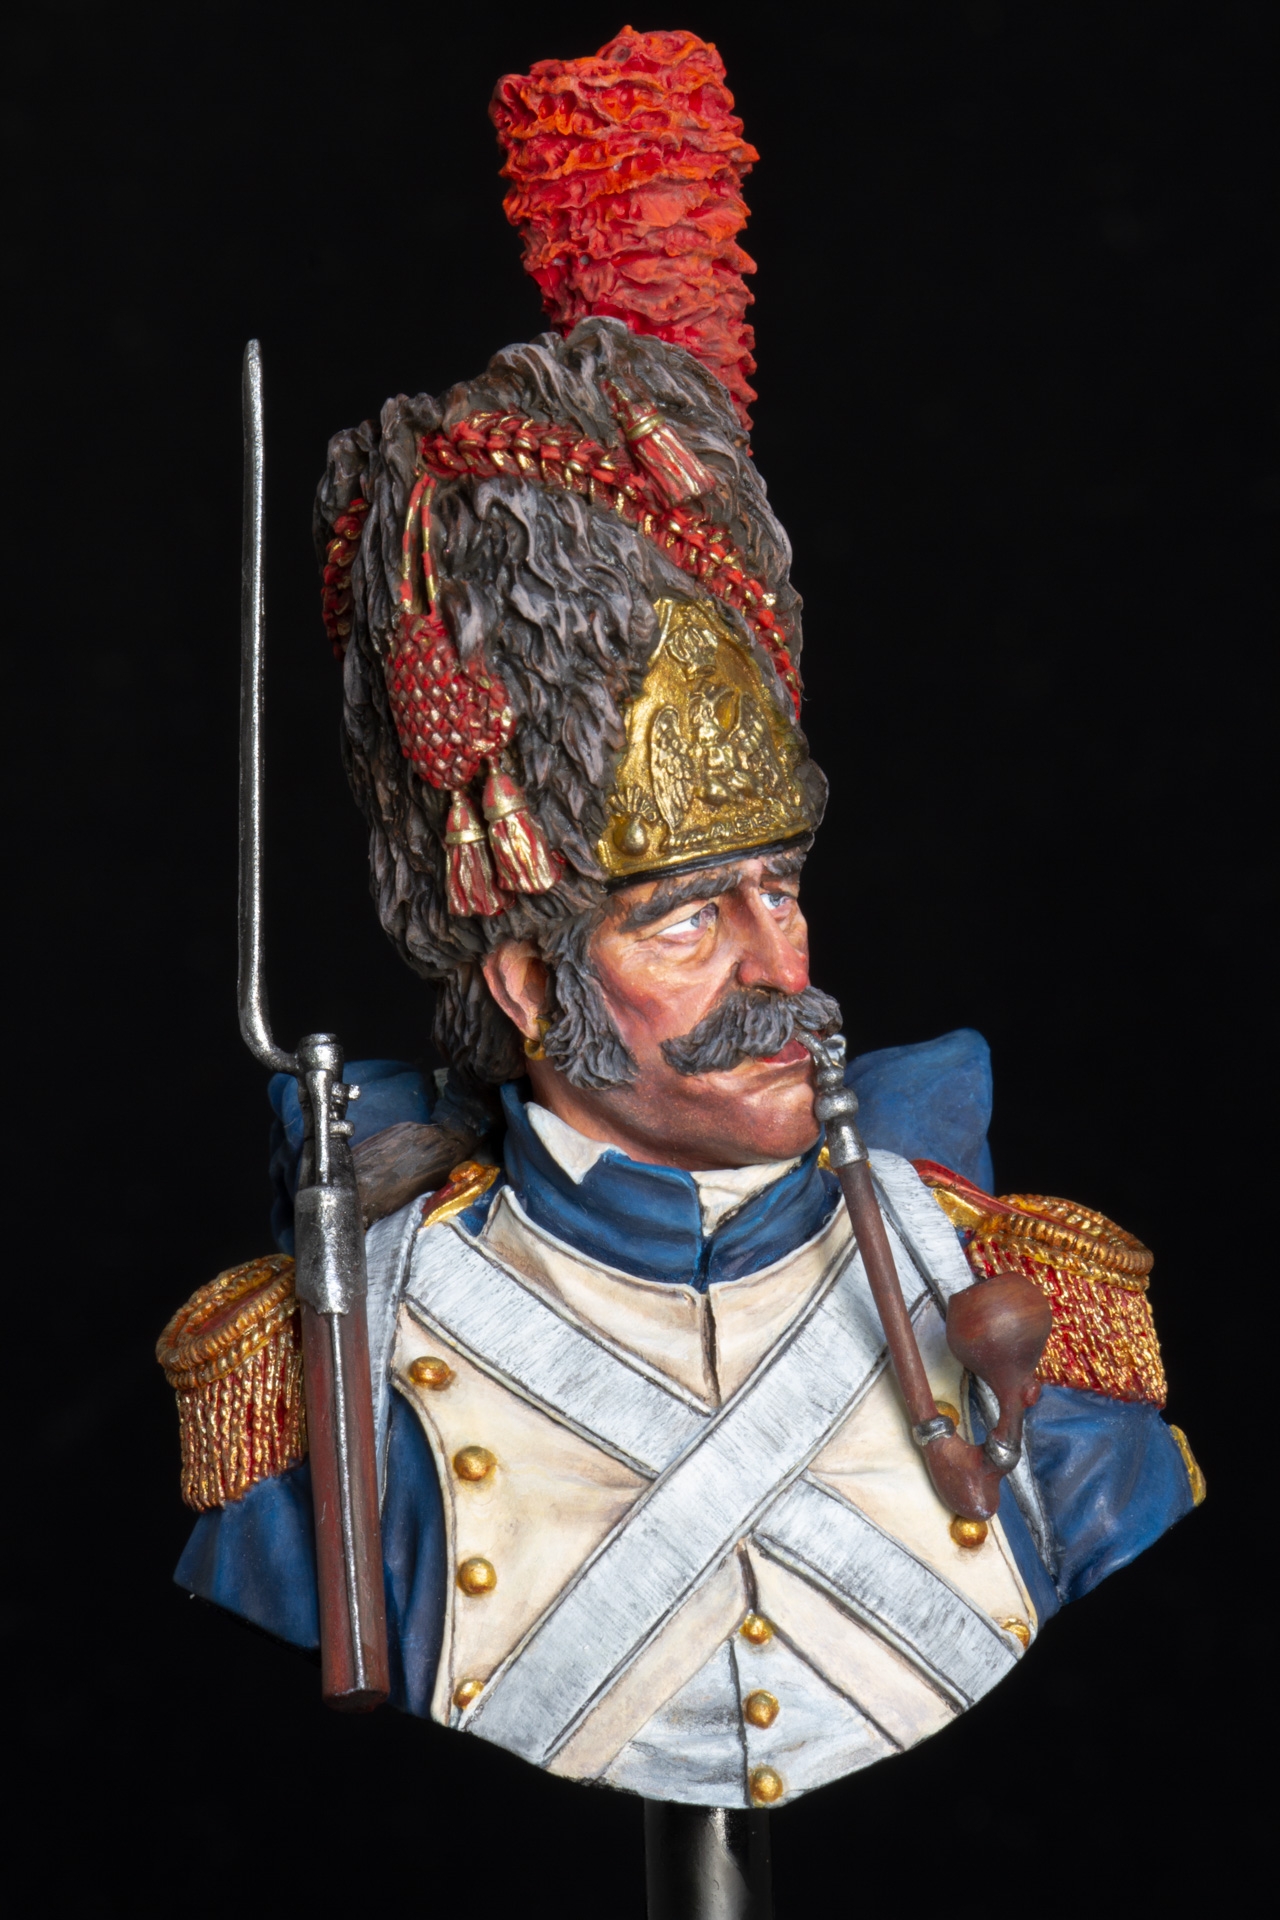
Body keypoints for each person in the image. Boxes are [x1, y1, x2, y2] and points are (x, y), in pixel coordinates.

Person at [157, 28, 1202, 1811]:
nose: (780, 971)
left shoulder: (1022, 1298)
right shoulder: (330, 1371)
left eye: (777, 891)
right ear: (524, 977)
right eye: (684, 921)